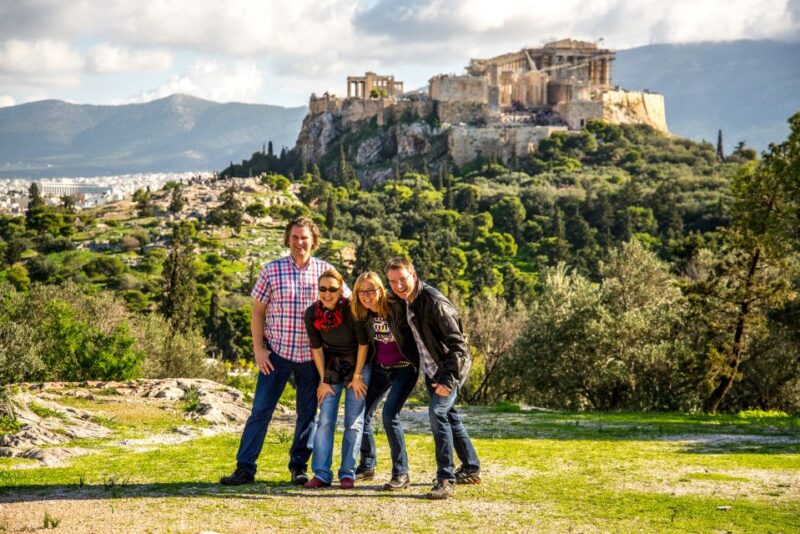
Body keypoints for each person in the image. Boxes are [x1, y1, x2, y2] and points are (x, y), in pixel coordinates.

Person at [220, 217, 346, 486]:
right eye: (295, 237)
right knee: (260, 411)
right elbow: (257, 312)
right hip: (276, 355)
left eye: (304, 237)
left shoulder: (326, 271)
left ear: (313, 240)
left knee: (307, 414)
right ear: (287, 239)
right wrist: (258, 350)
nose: (299, 242)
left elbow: (346, 303)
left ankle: (298, 467)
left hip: (312, 358)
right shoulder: (271, 270)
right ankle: (245, 468)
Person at [384, 256, 481, 500]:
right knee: (449, 415)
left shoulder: (435, 302)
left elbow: (459, 348)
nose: (398, 285)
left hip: (450, 368)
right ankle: (470, 467)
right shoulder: (403, 300)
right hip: (431, 369)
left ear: (413, 276)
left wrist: (449, 381)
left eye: (402, 279)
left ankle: (446, 478)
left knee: (437, 413)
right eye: (393, 282)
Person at [351, 272, 420, 490]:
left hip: (405, 369)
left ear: (381, 290)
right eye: (362, 291)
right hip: (381, 369)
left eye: (371, 290)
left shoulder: (396, 307)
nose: (367, 296)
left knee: (390, 415)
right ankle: (367, 464)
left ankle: (401, 473)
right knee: (363, 414)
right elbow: (364, 345)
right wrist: (357, 374)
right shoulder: (364, 315)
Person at [303, 269, 370, 489]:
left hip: (357, 363)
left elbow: (363, 344)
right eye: (323, 289)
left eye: (332, 289)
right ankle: (322, 473)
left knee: (353, 421)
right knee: (325, 419)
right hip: (331, 366)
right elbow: (317, 349)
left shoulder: (352, 310)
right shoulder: (311, 313)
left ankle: (347, 473)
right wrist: (323, 380)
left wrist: (358, 375)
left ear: (341, 289)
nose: (327, 293)